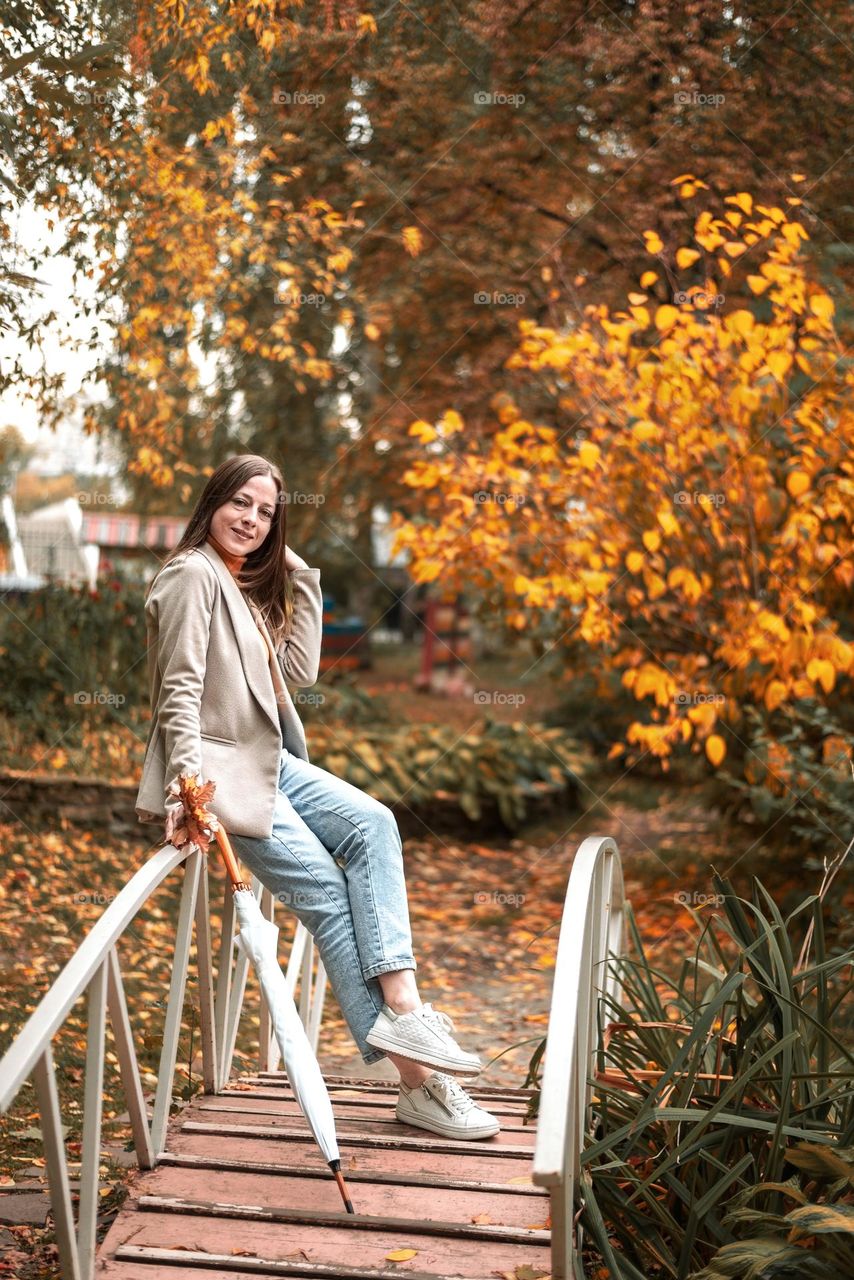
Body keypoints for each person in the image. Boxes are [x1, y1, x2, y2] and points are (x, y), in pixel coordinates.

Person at [135, 453, 500, 1140]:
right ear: (213, 500)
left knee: (373, 823)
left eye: (267, 512)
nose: (251, 519)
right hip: (224, 774)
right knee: (329, 898)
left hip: (272, 761)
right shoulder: (191, 576)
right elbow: (178, 690)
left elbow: (297, 671)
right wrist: (189, 791)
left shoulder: (236, 583)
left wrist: (300, 574)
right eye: (240, 503)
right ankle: (421, 1086)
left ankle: (405, 1010)